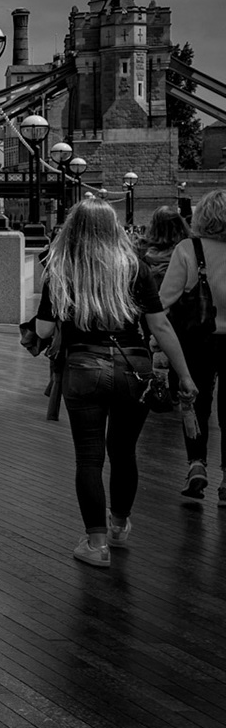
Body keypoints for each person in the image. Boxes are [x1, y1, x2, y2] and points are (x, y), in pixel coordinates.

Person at [35, 197, 195, 567]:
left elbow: (44, 328)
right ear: (114, 229)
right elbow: (160, 325)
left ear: (74, 228)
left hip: (84, 366)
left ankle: (96, 544)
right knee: (124, 453)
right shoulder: (134, 266)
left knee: (89, 457)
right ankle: (120, 526)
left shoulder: (63, 267)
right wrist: (184, 375)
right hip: (132, 366)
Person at [156, 190, 226, 503]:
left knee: (195, 401)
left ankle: (197, 464)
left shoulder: (188, 248)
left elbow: (164, 301)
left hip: (197, 339)